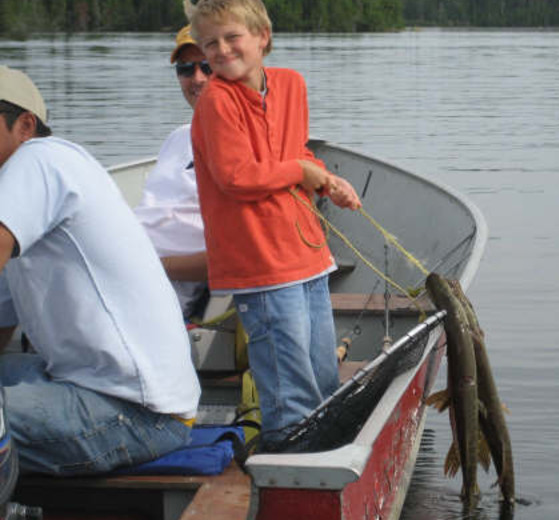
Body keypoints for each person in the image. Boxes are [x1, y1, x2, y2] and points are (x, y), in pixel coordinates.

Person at [0, 66, 201, 475]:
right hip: (85, 385)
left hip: (139, 414)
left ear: (24, 125)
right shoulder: (18, 206)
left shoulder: (42, 158)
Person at [188, 0, 361, 449]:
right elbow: (237, 176)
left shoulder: (291, 85)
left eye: (232, 37)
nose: (221, 50)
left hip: (308, 255)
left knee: (322, 373)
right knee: (288, 386)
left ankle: (323, 451)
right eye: (210, 43)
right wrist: (302, 174)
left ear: (262, 35)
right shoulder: (215, 102)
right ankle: (291, 463)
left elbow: (295, 152)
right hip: (260, 266)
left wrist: (327, 181)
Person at [133, 25, 211, 319]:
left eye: (207, 66)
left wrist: (148, 264)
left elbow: (234, 258)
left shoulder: (241, 147)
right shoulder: (178, 137)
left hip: (152, 295)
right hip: (121, 259)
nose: (197, 78)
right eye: (186, 69)